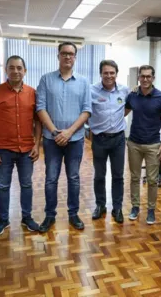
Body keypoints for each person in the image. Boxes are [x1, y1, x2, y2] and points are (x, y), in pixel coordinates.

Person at [36, 42, 92, 232]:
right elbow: (40, 108)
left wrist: (68, 132)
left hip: (75, 140)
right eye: (64, 53)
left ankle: (73, 214)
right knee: (51, 178)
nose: (67, 57)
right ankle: (49, 215)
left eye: (71, 54)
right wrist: (54, 132)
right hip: (51, 140)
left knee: (74, 178)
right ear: (58, 56)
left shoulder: (84, 82)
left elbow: (86, 110)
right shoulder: (46, 79)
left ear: (75, 57)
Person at [0, 55, 42, 237]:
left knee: (26, 185)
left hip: (26, 149)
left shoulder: (33, 93)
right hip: (3, 149)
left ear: (25, 71)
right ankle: (3, 220)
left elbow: (38, 121)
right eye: (11, 67)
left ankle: (27, 217)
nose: (15, 71)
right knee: (2, 186)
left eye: (19, 68)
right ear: (6, 70)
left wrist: (37, 144)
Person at [125, 65, 161, 225]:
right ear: (138, 77)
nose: (145, 79)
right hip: (134, 143)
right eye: (142, 76)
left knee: (152, 180)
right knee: (135, 178)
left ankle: (151, 210)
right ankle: (135, 207)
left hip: (153, 145)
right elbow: (123, 112)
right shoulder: (132, 95)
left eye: (148, 76)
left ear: (153, 78)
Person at [89, 60, 129, 224]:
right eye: (106, 72)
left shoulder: (124, 91)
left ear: (116, 74)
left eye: (112, 73)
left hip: (119, 139)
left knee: (118, 175)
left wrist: (116, 121)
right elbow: (86, 110)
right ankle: (100, 205)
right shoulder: (91, 91)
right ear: (101, 74)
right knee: (99, 175)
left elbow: (127, 108)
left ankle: (117, 207)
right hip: (99, 139)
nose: (109, 76)